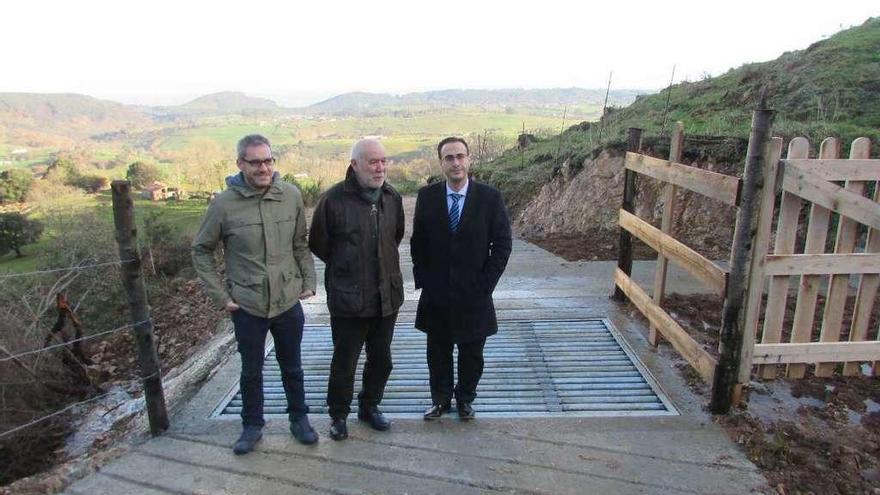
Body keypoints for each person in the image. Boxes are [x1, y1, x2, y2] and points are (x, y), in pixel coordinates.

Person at [192, 134, 318, 454]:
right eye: (255, 162)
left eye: (268, 160)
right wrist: (222, 296)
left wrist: (309, 279)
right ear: (240, 164)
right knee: (250, 370)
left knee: (292, 365)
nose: (263, 167)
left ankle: (299, 419)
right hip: (247, 304)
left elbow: (300, 243)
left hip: (287, 299)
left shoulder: (290, 195)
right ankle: (252, 426)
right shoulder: (223, 204)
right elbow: (201, 251)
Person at [309, 138, 405, 440]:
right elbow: (319, 243)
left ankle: (370, 406)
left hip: (386, 298)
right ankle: (338, 415)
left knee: (382, 360)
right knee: (344, 363)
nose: (379, 167)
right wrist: (348, 270)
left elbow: (395, 236)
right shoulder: (332, 200)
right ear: (354, 165)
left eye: (383, 161)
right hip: (349, 300)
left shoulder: (392, 197)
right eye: (372, 162)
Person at [411, 136, 512, 421]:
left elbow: (502, 244)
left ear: (469, 159)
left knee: (472, 354)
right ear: (441, 162)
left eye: (460, 156)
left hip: (475, 292)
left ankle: (465, 399)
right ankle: (440, 400)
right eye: (449, 158)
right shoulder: (427, 196)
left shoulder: (489, 197)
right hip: (437, 292)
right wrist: (424, 281)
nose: (455, 162)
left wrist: (485, 285)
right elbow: (418, 242)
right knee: (437, 352)